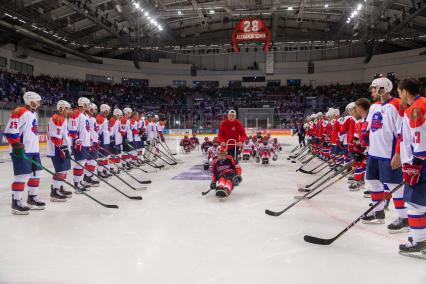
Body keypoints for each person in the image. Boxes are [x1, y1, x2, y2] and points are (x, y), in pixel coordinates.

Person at [361, 76, 408, 234]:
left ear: (383, 89)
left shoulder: (396, 105)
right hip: (374, 153)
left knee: (394, 186)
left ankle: (404, 218)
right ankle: (378, 212)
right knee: (373, 181)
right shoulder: (374, 107)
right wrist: (364, 136)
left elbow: (401, 132)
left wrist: (398, 154)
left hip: (388, 154)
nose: (372, 91)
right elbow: (369, 127)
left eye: (375, 88)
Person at [397, 78, 426, 258]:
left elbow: (419, 137)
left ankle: (420, 242)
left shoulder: (415, 109)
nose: (399, 96)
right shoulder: (423, 103)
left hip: (421, 162)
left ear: (405, 92)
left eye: (399, 92)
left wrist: (415, 163)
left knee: (415, 204)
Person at [5, 91, 44, 214]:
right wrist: (16, 145)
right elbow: (11, 130)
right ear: (31, 102)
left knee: (36, 174)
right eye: (37, 101)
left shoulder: (34, 114)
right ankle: (16, 202)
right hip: (22, 150)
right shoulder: (20, 111)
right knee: (21, 176)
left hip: (34, 150)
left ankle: (32, 198)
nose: (39, 104)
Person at [47, 100, 73, 202]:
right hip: (57, 149)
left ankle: (61, 187)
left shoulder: (63, 118)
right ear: (61, 108)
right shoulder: (57, 118)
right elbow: (54, 137)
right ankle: (55, 191)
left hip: (63, 147)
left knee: (64, 169)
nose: (69, 111)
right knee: (60, 170)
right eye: (68, 109)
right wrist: (62, 147)